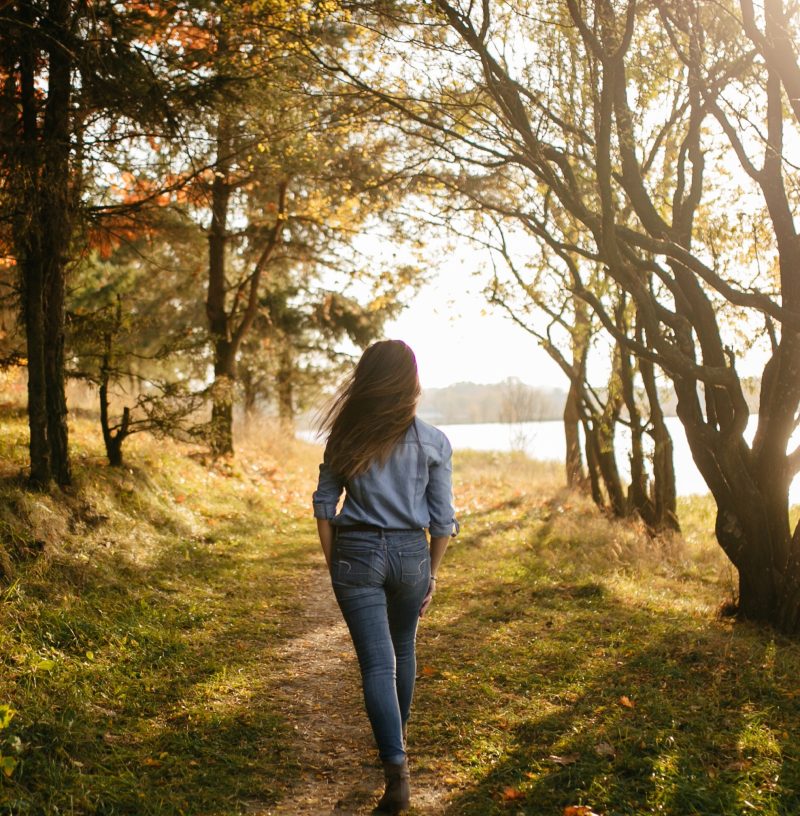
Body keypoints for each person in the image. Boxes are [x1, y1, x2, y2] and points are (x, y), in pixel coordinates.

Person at [312, 339, 458, 815]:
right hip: (412, 556)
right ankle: (398, 739)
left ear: (367, 381)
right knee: (404, 649)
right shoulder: (434, 441)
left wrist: (337, 564)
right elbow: (443, 522)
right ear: (410, 383)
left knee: (377, 663)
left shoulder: (345, 438)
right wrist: (431, 573)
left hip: (355, 553)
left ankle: (396, 770)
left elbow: (323, 507)